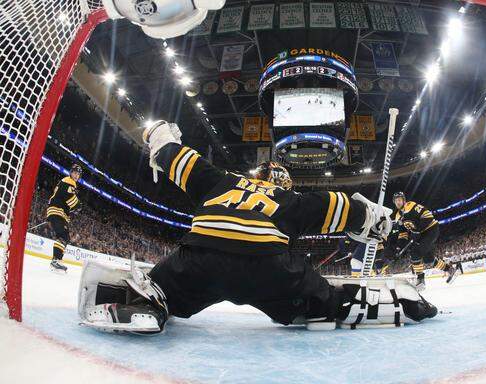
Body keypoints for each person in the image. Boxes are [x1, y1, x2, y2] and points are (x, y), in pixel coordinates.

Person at [78, 121, 438, 334]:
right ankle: (399, 306)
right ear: (284, 182)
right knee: (327, 304)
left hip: (201, 258)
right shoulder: (291, 200)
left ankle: (143, 301)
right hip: (268, 266)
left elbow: (172, 155)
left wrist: (159, 136)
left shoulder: (219, 180)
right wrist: (376, 220)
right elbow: (339, 206)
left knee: (164, 291)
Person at [385, 191, 458, 288]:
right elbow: (403, 234)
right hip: (421, 235)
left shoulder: (411, 206)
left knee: (415, 252)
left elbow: (428, 216)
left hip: (431, 230)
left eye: (399, 200)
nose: (398, 202)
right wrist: (398, 248)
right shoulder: (398, 216)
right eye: (396, 201)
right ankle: (450, 270)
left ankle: (420, 279)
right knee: (429, 259)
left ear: (404, 200)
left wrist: (417, 230)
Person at [45, 164, 82, 272]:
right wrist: (78, 205)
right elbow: (69, 197)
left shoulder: (66, 181)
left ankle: (57, 260)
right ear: (71, 172)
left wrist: (73, 207)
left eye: (78, 174)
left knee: (64, 237)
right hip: (57, 211)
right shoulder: (69, 182)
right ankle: (55, 261)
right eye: (75, 172)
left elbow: (64, 198)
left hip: (57, 211)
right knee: (63, 235)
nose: (76, 175)